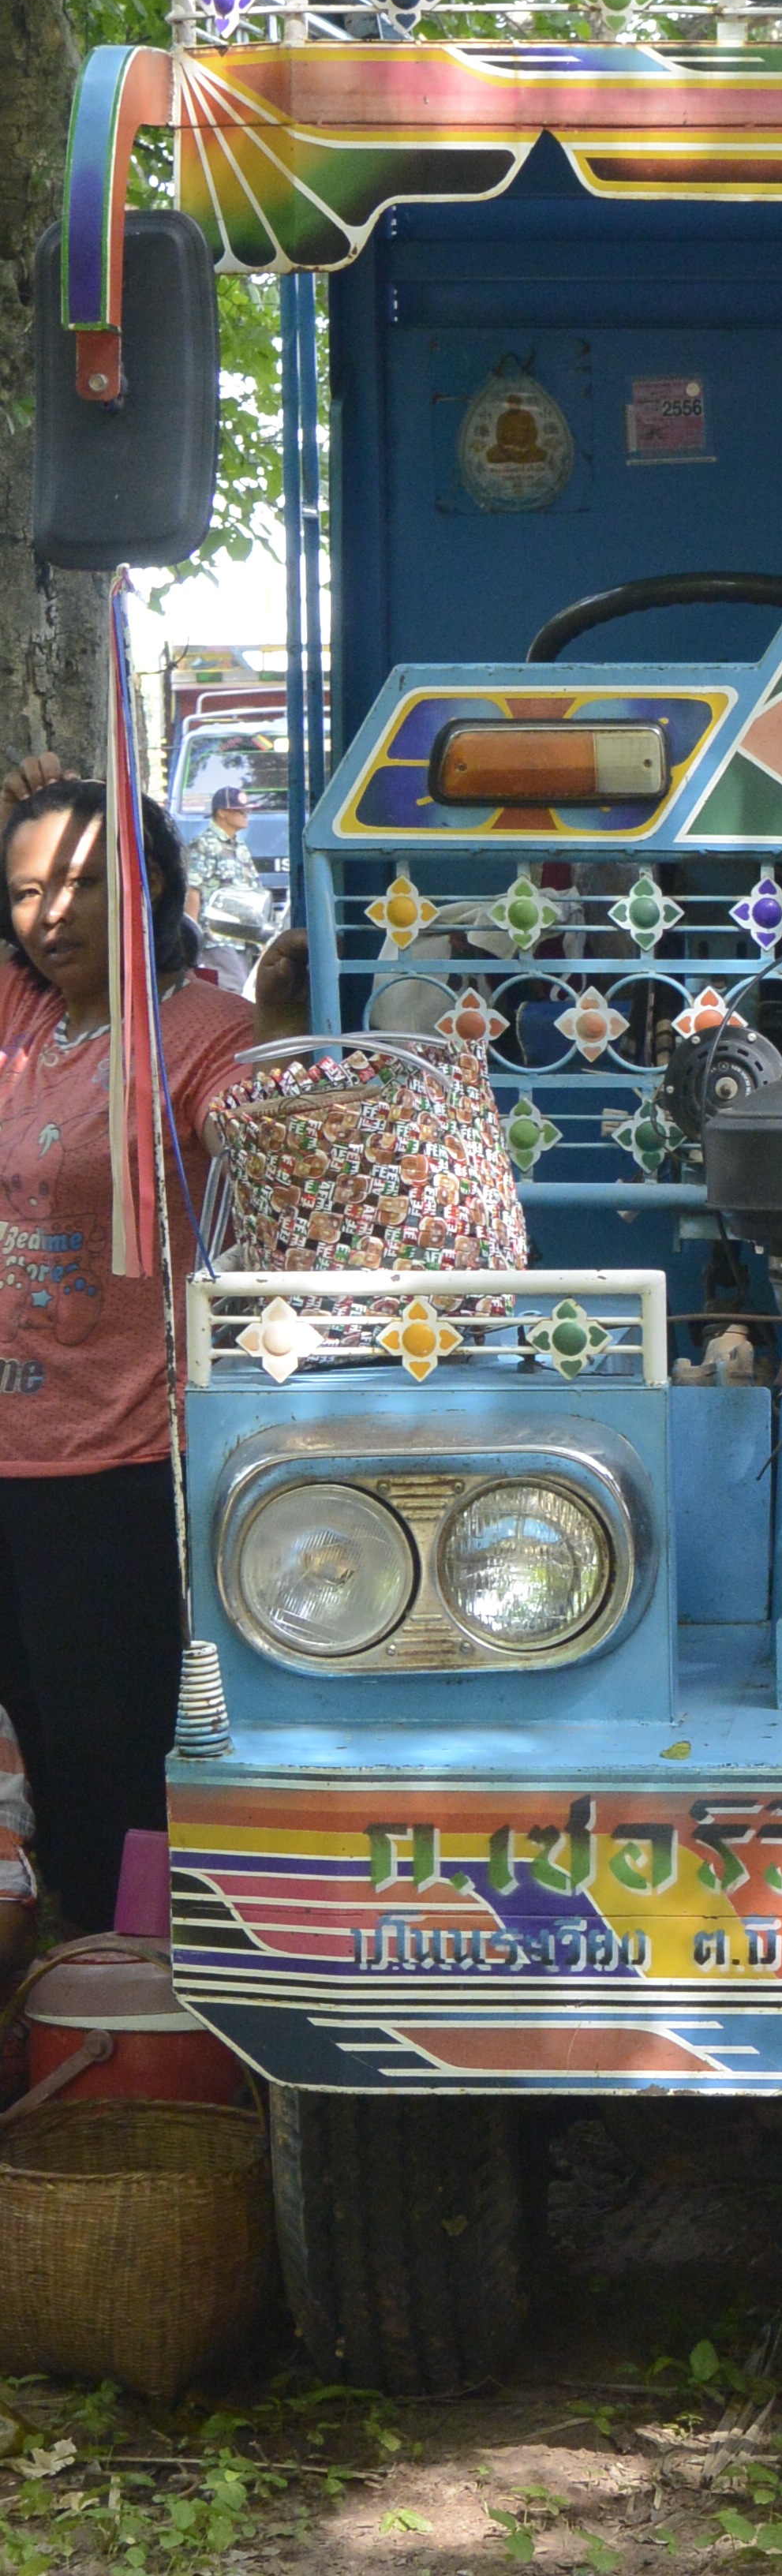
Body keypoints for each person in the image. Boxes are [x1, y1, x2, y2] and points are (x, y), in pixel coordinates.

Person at [0, 757, 306, 1935]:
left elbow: (265, 1143)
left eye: (84, 882)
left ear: (156, 881)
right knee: (30, 1750)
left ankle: (128, 1992)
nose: (54, 914)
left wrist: (284, 1027)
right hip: (12, 1453)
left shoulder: (205, 1032)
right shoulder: (26, 1015)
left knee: (111, 1763)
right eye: (28, 891)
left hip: (121, 1462)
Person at [185, 781, 258, 924]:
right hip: (213, 933)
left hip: (242, 931)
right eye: (241, 811)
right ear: (222, 812)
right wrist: (192, 931)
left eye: (247, 811)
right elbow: (193, 891)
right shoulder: (203, 845)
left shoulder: (240, 846)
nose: (246, 815)